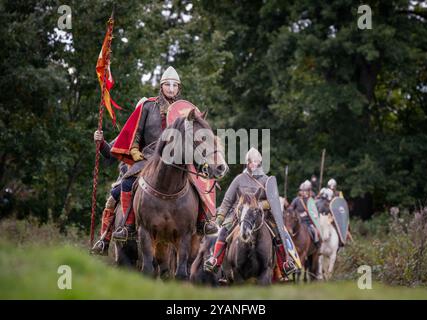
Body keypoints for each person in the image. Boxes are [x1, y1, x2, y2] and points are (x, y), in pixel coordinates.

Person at [110, 66, 217, 241]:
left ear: (179, 88)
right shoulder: (148, 106)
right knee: (128, 182)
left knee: (198, 183)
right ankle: (128, 226)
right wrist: (135, 151)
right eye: (168, 85)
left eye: (175, 85)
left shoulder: (185, 112)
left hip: (178, 158)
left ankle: (203, 222)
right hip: (149, 157)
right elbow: (137, 132)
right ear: (161, 86)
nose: (171, 88)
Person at [203, 148, 298, 278]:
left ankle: (284, 265)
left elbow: (272, 201)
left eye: (255, 162)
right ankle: (215, 260)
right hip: (239, 214)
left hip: (260, 215)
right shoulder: (239, 179)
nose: (253, 164)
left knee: (278, 234)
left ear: (259, 163)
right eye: (250, 162)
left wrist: (258, 205)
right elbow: (227, 200)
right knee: (224, 231)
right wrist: (219, 218)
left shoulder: (266, 180)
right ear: (247, 163)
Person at [90, 130, 128, 255]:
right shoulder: (131, 128)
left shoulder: (168, 127)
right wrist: (101, 142)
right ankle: (104, 240)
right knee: (111, 201)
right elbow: (110, 152)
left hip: (153, 177)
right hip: (127, 176)